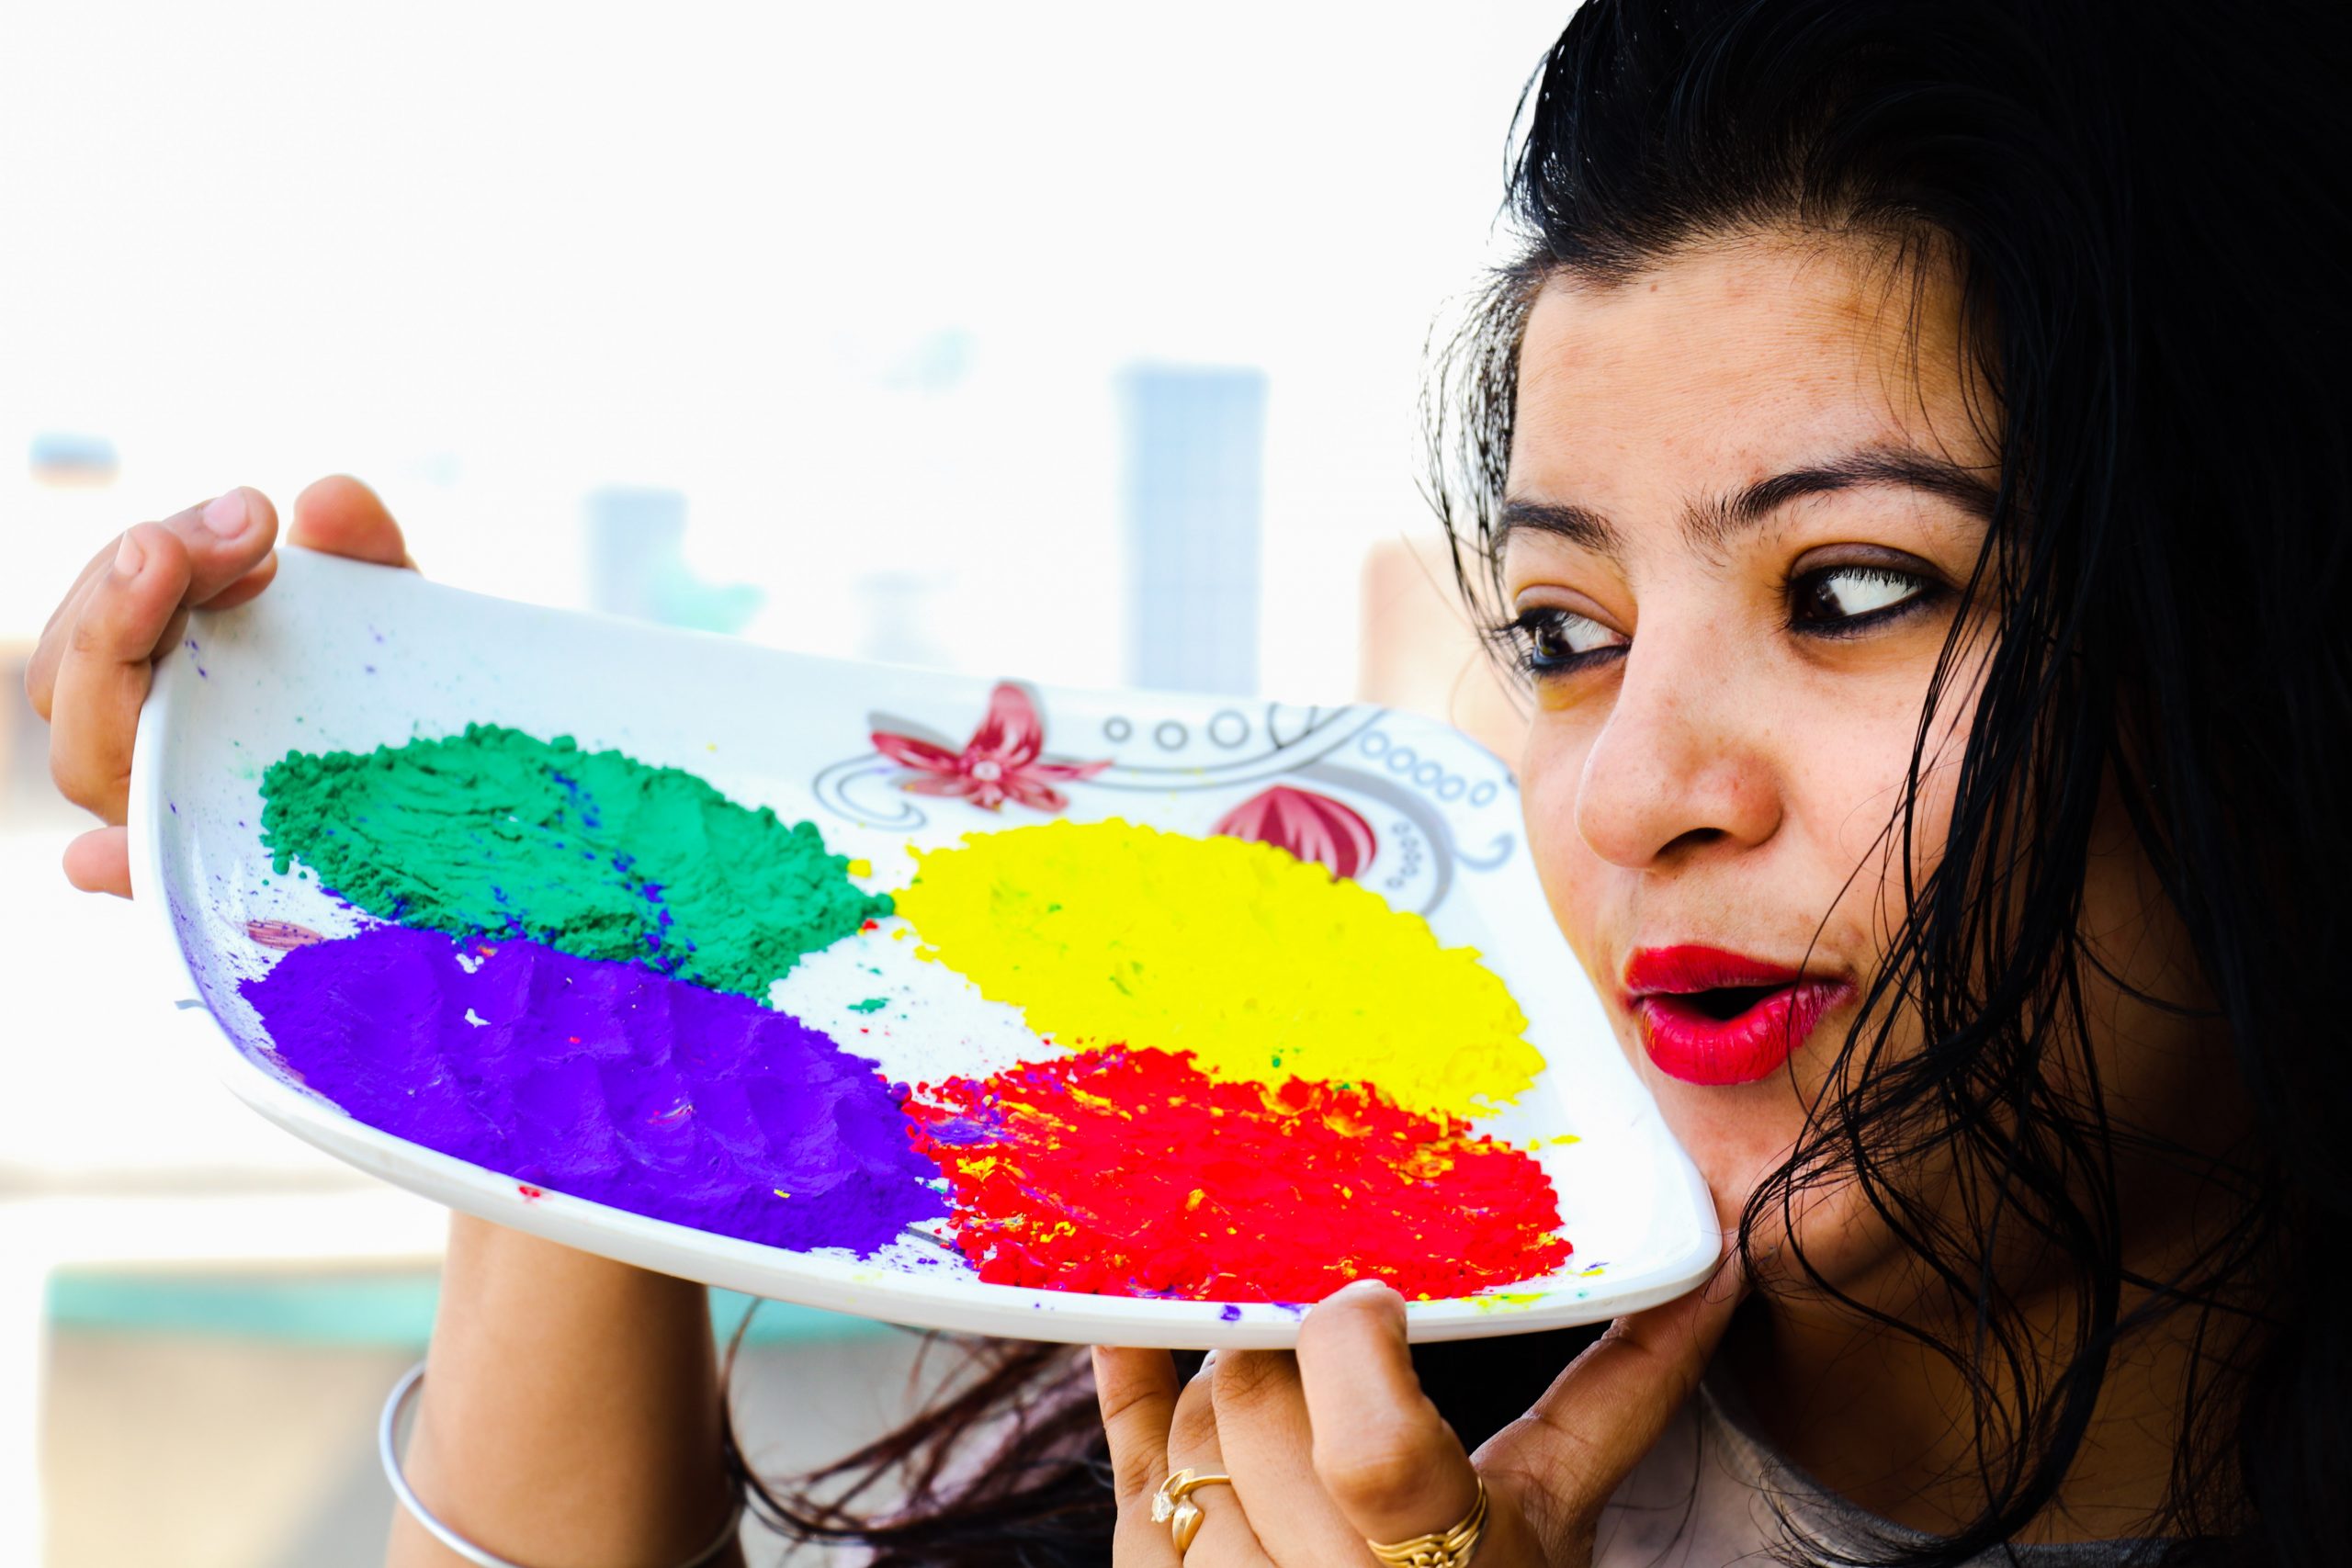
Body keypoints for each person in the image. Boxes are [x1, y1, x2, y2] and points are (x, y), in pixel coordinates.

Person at [28, 0, 2347, 1562]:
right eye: (1560, 637)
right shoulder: (1262, 1392)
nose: (1635, 789)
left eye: (1850, 591)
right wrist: (558, 991)